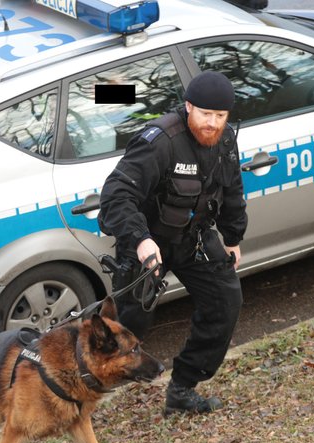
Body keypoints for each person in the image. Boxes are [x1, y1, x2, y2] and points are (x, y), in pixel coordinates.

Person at [98, 71, 248, 415]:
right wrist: (140, 240)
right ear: (188, 107)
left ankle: (182, 388)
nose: (212, 123)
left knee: (225, 301)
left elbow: (231, 188)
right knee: (126, 325)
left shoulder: (224, 138)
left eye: (220, 116)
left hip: (194, 238)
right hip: (148, 242)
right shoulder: (161, 141)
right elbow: (117, 195)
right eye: (205, 115)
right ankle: (87, 391)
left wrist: (233, 236)